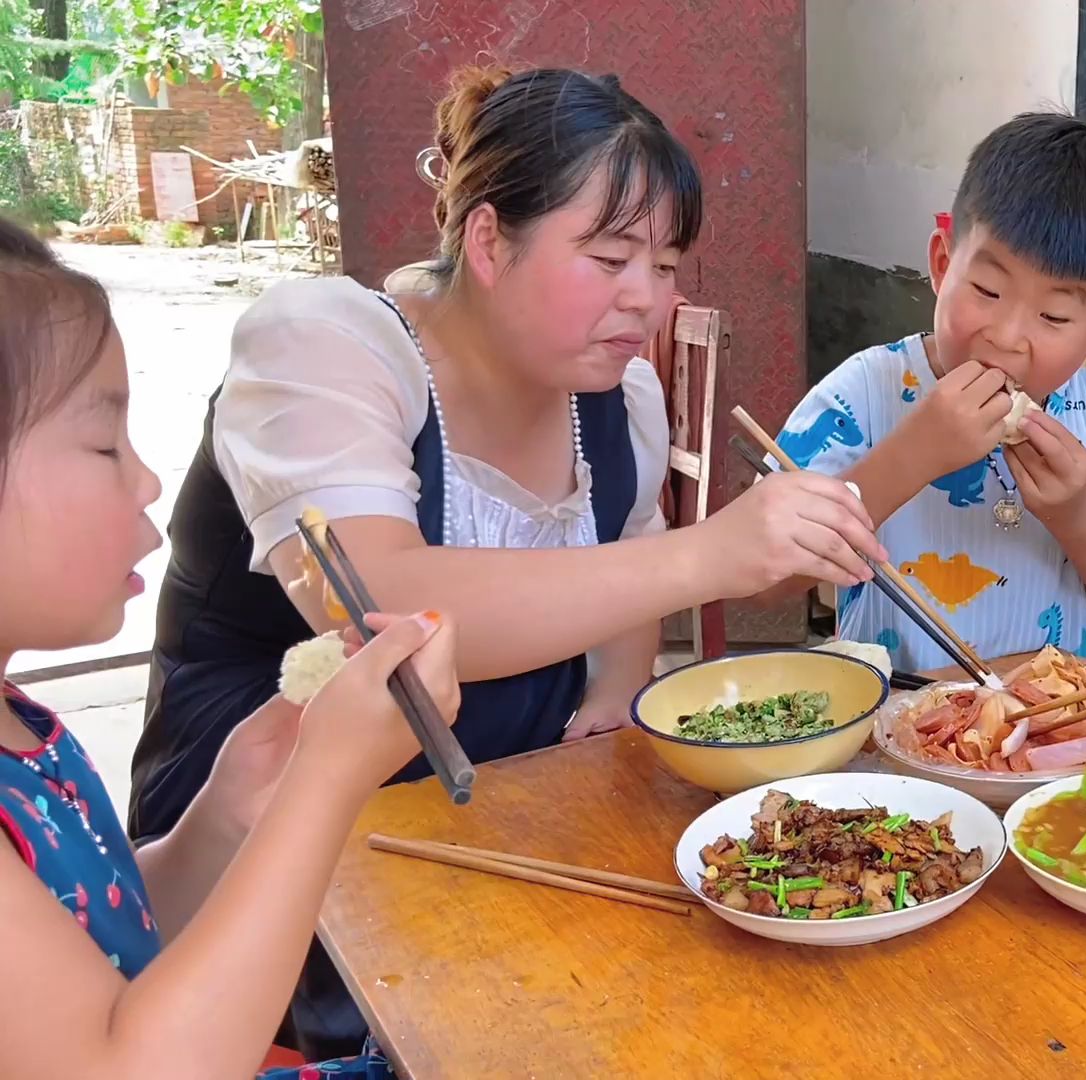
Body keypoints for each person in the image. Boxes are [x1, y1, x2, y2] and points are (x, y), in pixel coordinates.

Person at [131, 66, 884, 1057]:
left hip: (503, 800)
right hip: (280, 813)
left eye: (664, 267)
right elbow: (379, 614)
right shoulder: (329, 348)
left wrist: (616, 690)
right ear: (488, 240)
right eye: (610, 256)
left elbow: (627, 554)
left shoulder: (616, 399)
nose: (645, 300)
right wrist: (718, 552)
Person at [0, 215, 462, 1078]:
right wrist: (326, 780)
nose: (145, 480)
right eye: (104, 445)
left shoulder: (19, 727)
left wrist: (229, 814)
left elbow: (116, 947)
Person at [769, 112, 1086, 673]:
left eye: (1054, 314)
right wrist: (913, 454)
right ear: (943, 266)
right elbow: (764, 579)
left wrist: (1074, 513)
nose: (1006, 335)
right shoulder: (864, 392)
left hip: (1049, 729)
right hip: (891, 723)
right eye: (988, 290)